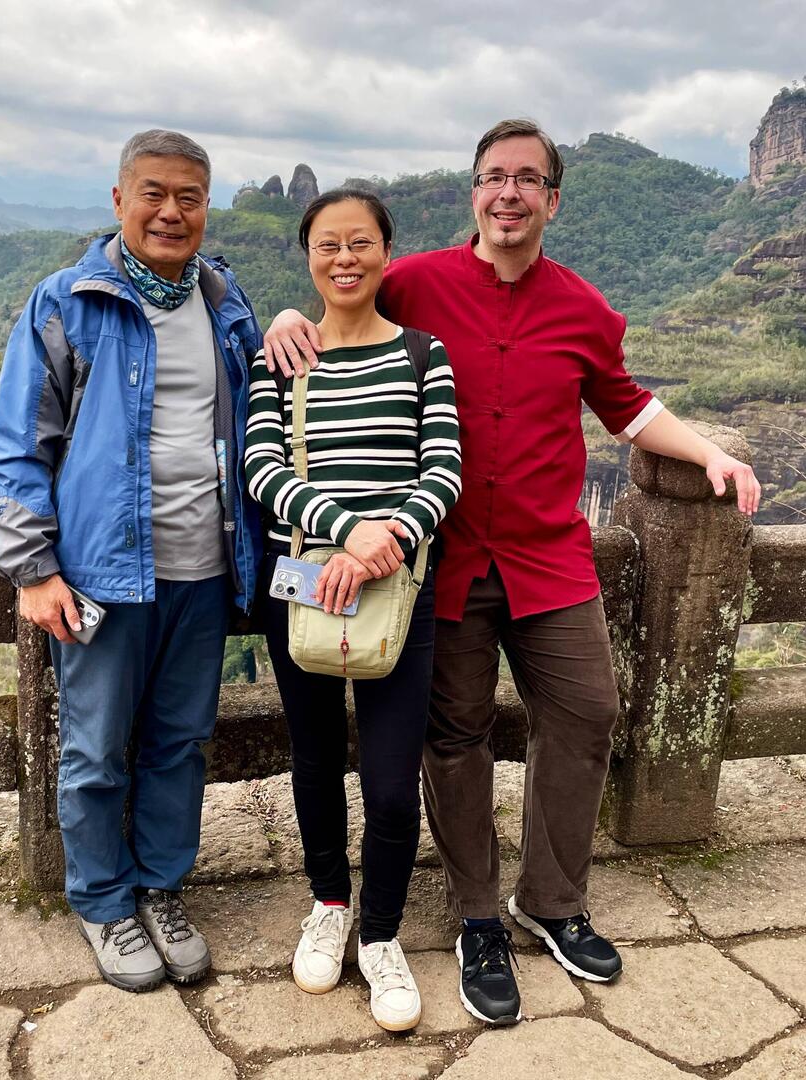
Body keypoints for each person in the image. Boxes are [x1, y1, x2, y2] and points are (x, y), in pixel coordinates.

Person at [263, 119, 761, 1025]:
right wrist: (286, 319)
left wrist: (711, 454)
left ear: (551, 200)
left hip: (548, 557)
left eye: (528, 179)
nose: (509, 192)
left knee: (587, 710)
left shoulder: (583, 307)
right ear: (474, 193)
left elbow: (626, 405)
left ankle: (553, 900)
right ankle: (477, 917)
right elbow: (343, 294)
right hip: (444, 560)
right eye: (495, 176)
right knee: (454, 737)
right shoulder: (416, 282)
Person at [0, 129, 262, 993]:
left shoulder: (224, 303)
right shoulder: (69, 302)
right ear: (118, 200)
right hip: (102, 573)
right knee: (96, 749)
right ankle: (103, 901)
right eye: (153, 193)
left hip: (204, 572)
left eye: (189, 197)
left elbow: (263, 412)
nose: (171, 212)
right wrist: (33, 569)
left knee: (180, 743)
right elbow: (16, 444)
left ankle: (159, 888)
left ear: (207, 207)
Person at [246, 189, 461, 1031]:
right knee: (313, 756)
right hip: (301, 583)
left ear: (386, 252)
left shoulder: (423, 354)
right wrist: (348, 532)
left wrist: (384, 544)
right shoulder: (280, 359)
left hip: (398, 589)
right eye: (328, 245)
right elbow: (262, 470)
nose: (345, 258)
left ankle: (381, 935)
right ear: (307, 256)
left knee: (392, 780)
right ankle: (329, 902)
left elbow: (443, 469)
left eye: (361, 243)